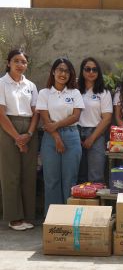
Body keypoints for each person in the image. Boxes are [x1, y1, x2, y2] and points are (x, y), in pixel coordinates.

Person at [36, 58, 85, 214]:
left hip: (71, 135)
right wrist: (57, 138)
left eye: (67, 71)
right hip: (50, 138)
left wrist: (55, 125)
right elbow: (45, 119)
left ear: (70, 75)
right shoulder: (44, 93)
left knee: (70, 179)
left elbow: (75, 116)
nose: (63, 74)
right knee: (51, 179)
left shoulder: (75, 93)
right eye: (60, 70)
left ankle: (68, 218)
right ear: (53, 71)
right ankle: (53, 218)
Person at [0, 49, 39, 231]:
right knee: (11, 174)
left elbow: (36, 112)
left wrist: (28, 134)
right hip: (8, 128)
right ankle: (14, 218)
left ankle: (28, 215)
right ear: (8, 63)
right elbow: (1, 113)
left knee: (29, 174)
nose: (20, 65)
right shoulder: (2, 83)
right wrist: (17, 137)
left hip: (29, 129)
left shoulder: (30, 85)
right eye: (16, 61)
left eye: (23, 62)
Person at [77, 57, 112, 183]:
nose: (91, 72)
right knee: (79, 174)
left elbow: (107, 118)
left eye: (94, 69)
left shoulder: (103, 92)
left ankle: (95, 197)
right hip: (75, 132)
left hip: (96, 133)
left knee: (96, 176)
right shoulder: (75, 90)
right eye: (87, 69)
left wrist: (92, 138)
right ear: (82, 71)